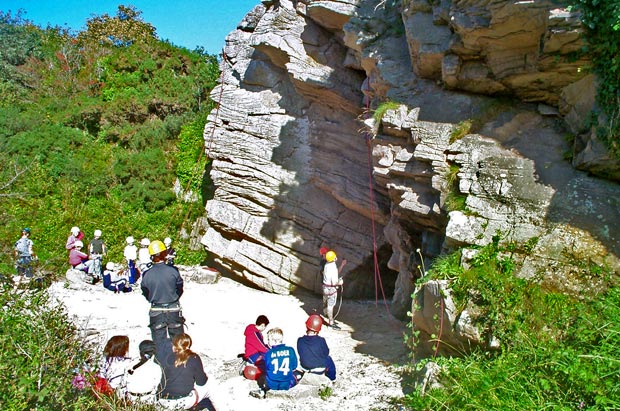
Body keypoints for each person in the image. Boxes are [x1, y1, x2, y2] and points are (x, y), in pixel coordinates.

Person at [155, 332, 216, 410]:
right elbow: (201, 382)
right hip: (181, 402)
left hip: (162, 401)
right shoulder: (194, 358)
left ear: (174, 346)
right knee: (211, 385)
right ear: (189, 345)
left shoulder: (165, 357)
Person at [141, 240, 185, 341]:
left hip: (156, 309)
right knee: (178, 343)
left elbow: (146, 293)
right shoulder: (173, 271)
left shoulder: (146, 274)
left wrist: (154, 297)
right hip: (173, 308)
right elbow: (180, 289)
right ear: (165, 254)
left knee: (158, 343)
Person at [250, 328, 302, 399]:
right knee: (297, 374)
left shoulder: (268, 353)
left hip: (271, 384)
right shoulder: (290, 350)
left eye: (269, 340)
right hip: (287, 384)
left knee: (266, 375)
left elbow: (267, 367)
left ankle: (263, 390)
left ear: (274, 341)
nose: (267, 342)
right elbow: (294, 366)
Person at [297, 314, 337, 381]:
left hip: (304, 367)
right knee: (329, 359)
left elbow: (300, 352)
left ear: (307, 326)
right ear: (318, 330)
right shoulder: (321, 340)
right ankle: (332, 379)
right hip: (318, 369)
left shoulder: (300, 340)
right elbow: (326, 353)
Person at [125, 340, 162, 404]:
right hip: (148, 400)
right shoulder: (156, 367)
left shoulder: (130, 365)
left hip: (131, 400)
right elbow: (156, 385)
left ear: (140, 351)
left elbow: (125, 382)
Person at [322, 250, 347, 329]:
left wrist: (342, 265)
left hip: (325, 287)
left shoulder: (327, 264)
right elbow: (334, 282)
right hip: (331, 289)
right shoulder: (332, 267)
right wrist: (340, 282)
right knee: (330, 305)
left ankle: (326, 314)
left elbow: (335, 273)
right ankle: (331, 322)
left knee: (326, 303)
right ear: (333, 258)